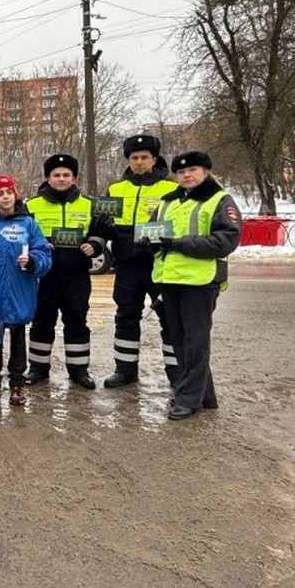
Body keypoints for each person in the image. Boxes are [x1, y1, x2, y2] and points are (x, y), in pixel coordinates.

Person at [142, 151, 240, 420]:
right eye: (181, 172)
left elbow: (226, 241)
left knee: (195, 342)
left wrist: (178, 243)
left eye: (192, 170)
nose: (186, 175)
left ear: (206, 172)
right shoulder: (168, 202)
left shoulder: (220, 200)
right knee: (179, 340)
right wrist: (146, 241)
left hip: (200, 280)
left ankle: (188, 399)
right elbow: (152, 233)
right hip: (169, 279)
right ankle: (204, 396)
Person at [103, 134, 180, 388]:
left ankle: (176, 373)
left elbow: (178, 224)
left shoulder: (170, 188)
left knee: (169, 318)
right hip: (126, 266)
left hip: (159, 265)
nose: (138, 162)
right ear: (128, 159)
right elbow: (104, 224)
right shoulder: (116, 189)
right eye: (134, 157)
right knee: (125, 317)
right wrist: (103, 228)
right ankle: (125, 370)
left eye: (144, 157)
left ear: (154, 159)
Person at [0, 176, 51, 405]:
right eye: (0, 193)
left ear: (16, 194)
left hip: (19, 293)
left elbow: (43, 253)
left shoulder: (29, 225)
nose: (5, 197)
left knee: (17, 340)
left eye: (9, 192)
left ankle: (17, 384)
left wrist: (33, 261)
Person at [24, 154, 105, 390]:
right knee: (41, 322)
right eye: (56, 175)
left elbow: (99, 232)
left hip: (77, 275)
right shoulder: (31, 205)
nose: (61, 179)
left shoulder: (89, 204)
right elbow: (22, 236)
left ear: (74, 177)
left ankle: (79, 370)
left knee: (77, 321)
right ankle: (38, 368)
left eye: (66, 175)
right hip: (43, 277)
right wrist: (37, 247)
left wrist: (96, 245)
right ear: (48, 178)